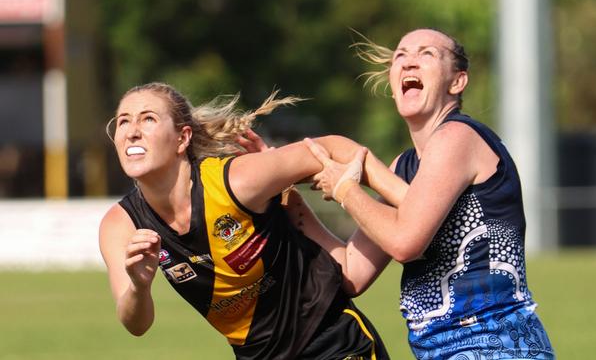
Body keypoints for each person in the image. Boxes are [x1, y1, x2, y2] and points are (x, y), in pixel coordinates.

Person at [303, 28, 555, 360]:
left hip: (497, 346)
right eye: (400, 56)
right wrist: (290, 205)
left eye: (426, 54)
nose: (409, 63)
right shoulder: (404, 166)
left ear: (457, 82)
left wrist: (346, 188)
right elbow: (351, 272)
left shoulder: (459, 136)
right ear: (393, 87)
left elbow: (405, 242)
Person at [98, 82, 398, 360]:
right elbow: (136, 325)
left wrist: (402, 195)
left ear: (183, 138)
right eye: (123, 121)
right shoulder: (120, 224)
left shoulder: (234, 180)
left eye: (147, 118)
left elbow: (331, 148)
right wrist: (139, 286)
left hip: (331, 342)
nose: (132, 131)